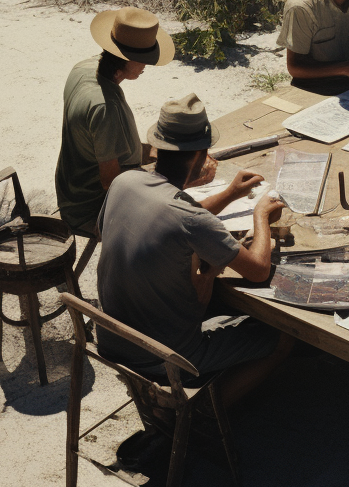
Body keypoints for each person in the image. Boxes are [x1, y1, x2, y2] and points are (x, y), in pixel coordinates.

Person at [95, 93, 292, 408]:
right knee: (283, 338)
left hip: (112, 337)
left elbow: (167, 213)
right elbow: (258, 269)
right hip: (165, 355)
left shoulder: (125, 182)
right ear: (202, 153)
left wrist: (230, 193)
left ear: (158, 146)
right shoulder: (190, 219)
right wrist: (260, 215)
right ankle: (198, 415)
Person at [55, 7, 173, 239]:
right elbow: (112, 183)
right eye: (142, 60)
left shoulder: (84, 68)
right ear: (125, 59)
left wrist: (162, 154)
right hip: (90, 207)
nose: (145, 67)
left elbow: (105, 142)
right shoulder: (104, 107)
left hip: (71, 190)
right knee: (176, 222)